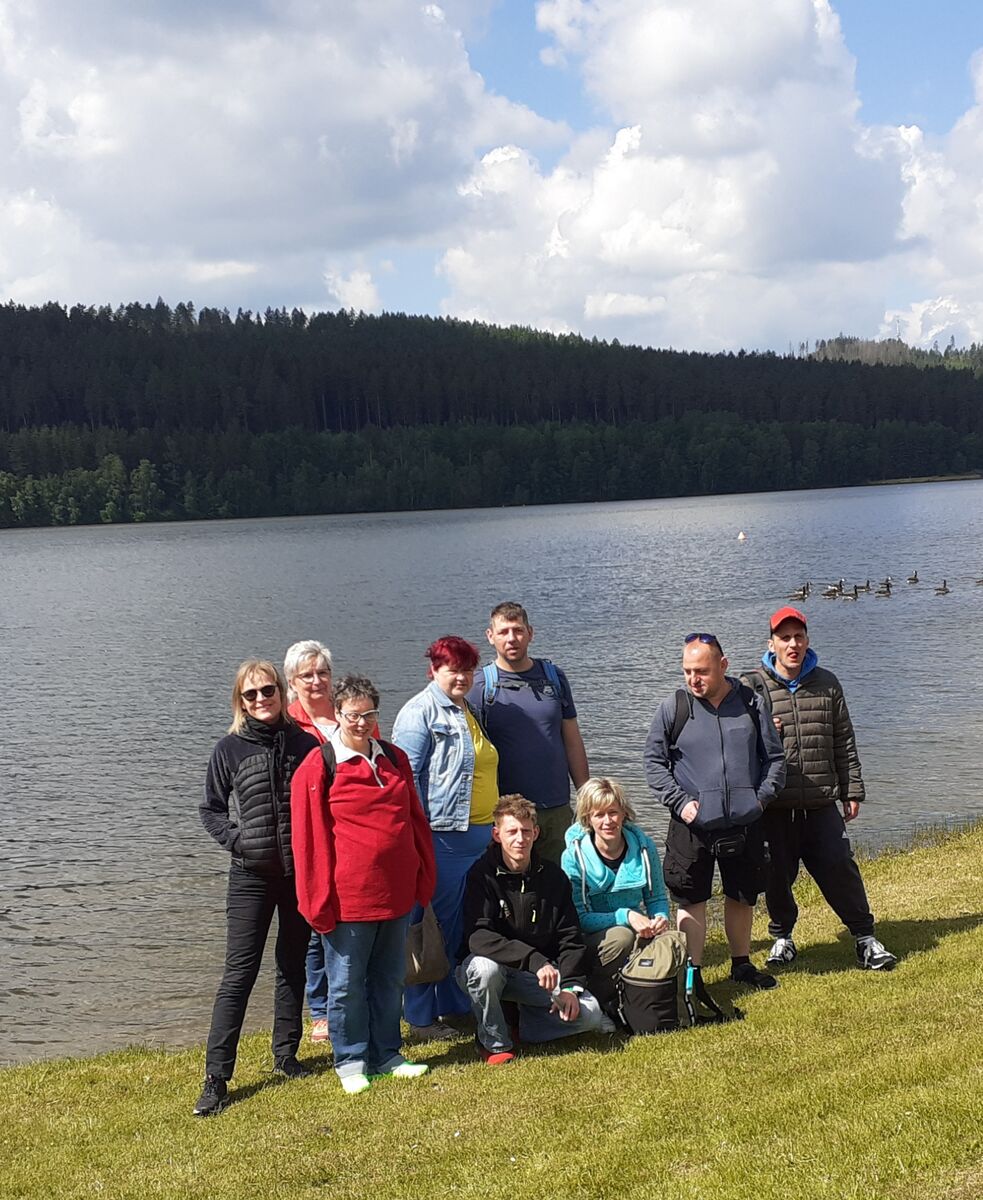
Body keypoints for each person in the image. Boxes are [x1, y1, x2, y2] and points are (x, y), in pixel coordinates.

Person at [290, 674, 437, 1095]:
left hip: (396, 894)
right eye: (353, 715)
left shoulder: (394, 758)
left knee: (390, 979)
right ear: (338, 715)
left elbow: (415, 822)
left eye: (369, 714)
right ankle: (351, 1059)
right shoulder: (318, 766)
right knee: (347, 984)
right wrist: (316, 901)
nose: (361, 723)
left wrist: (423, 877)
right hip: (348, 900)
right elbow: (309, 840)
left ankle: (388, 1053)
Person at [193, 660, 319, 1117]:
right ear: (240, 702)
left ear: (283, 693)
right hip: (250, 876)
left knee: (292, 966)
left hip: (298, 876)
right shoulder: (229, 749)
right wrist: (236, 841)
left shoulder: (306, 745)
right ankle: (217, 1078)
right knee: (238, 974)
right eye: (252, 695)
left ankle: (286, 1056)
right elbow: (210, 810)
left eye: (268, 690)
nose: (262, 699)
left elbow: (325, 803)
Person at [741, 607, 897, 971]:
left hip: (821, 801)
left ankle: (865, 938)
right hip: (774, 806)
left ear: (807, 640)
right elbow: (737, 747)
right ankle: (782, 938)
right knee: (776, 875)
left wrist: (852, 788)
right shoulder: (751, 688)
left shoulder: (827, 682)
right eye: (784, 637)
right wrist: (764, 733)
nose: (792, 644)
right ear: (772, 643)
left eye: (798, 636)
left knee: (839, 866)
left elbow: (843, 738)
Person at [643, 633, 786, 993]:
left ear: (723, 666)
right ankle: (693, 974)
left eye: (702, 671)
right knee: (692, 899)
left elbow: (775, 759)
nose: (694, 679)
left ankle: (741, 965)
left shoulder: (751, 703)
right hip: (691, 825)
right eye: (688, 671)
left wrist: (761, 799)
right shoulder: (673, 708)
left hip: (745, 821)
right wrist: (680, 803)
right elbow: (654, 764)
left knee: (742, 894)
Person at [391, 636, 500, 1041]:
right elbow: (405, 781)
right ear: (433, 670)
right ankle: (419, 1017)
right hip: (442, 840)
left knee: (459, 926)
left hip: (476, 838)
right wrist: (416, 842)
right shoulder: (419, 712)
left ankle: (453, 1004)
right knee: (427, 928)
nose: (462, 676)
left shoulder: (466, 709)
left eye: (468, 669)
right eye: (452, 668)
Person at [457, 794, 610, 1065]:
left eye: (526, 831)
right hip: (493, 967)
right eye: (512, 831)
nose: (520, 839)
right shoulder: (481, 875)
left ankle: (524, 1026)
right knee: (484, 970)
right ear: (496, 834)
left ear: (536, 833)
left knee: (591, 1014)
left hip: (541, 977)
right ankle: (494, 1043)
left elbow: (569, 938)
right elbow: (478, 937)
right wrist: (534, 960)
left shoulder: (553, 877)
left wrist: (572, 987)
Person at [469, 601, 589, 863]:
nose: (511, 638)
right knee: (510, 885)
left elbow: (572, 740)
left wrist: (586, 794)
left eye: (518, 630)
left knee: (561, 882)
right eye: (503, 632)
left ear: (530, 633)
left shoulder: (554, 678)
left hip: (555, 807)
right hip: (507, 811)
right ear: (491, 637)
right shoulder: (480, 686)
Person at [560, 777, 670, 1011]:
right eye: (599, 814)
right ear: (588, 819)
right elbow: (578, 918)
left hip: (635, 925)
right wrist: (626, 916)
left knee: (668, 939)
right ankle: (599, 997)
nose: (608, 821)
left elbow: (656, 897)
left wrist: (661, 918)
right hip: (591, 936)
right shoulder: (573, 857)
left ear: (624, 814)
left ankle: (654, 1001)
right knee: (622, 937)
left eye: (613, 812)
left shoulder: (645, 847)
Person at [283, 639, 336, 1046]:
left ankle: (349, 1002)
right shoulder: (286, 725)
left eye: (322, 672)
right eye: (307, 675)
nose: (316, 681)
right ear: (291, 682)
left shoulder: (352, 716)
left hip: (351, 837)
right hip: (310, 837)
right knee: (316, 925)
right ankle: (320, 1012)